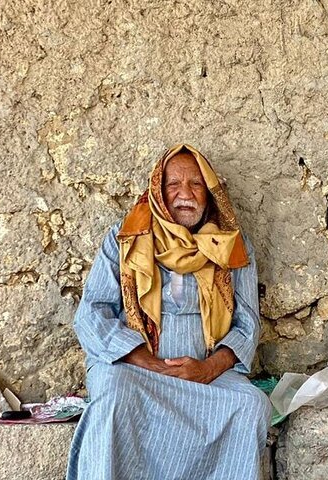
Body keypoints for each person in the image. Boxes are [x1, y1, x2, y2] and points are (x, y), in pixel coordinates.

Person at [67, 144, 270, 480]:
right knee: (113, 391)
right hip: (134, 370)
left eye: (196, 184)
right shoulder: (125, 238)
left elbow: (247, 324)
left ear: (209, 192)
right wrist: (152, 364)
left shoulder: (231, 244)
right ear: (158, 192)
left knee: (251, 405)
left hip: (204, 375)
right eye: (173, 184)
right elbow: (91, 315)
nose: (184, 194)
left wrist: (206, 369)